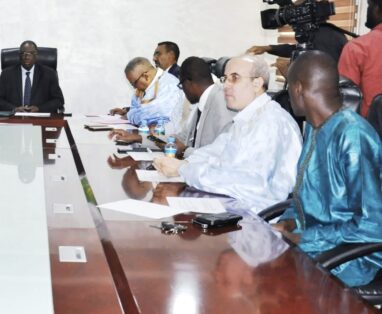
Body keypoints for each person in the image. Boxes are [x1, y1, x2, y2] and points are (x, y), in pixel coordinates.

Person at [274, 51, 382, 287]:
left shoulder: (353, 135)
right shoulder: (315, 128)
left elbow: (371, 225)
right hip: (319, 246)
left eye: (289, 87)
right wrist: (288, 223)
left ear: (298, 88)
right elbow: (305, 196)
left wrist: (303, 238)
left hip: (351, 257)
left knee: (270, 283)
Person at [153, 55, 302, 214]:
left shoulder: (269, 122)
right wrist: (183, 163)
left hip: (254, 216)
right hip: (232, 205)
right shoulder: (246, 119)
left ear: (257, 83)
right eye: (225, 79)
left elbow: (244, 182)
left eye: (234, 78)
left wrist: (184, 169)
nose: (225, 85)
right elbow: (214, 152)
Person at [113, 57, 235, 155]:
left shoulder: (222, 104)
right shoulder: (200, 103)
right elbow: (180, 138)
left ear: (188, 83)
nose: (182, 91)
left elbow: (221, 155)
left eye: (181, 86)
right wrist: (139, 138)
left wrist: (184, 151)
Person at [338, 0, 382, 117]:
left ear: (377, 8)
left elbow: (346, 105)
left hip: (369, 129)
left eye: (369, 4)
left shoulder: (357, 48)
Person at [109, 57, 184, 133]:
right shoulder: (146, 87)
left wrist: (129, 115)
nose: (134, 87)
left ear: (145, 76)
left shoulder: (169, 84)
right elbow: (138, 109)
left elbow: (153, 115)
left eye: (134, 84)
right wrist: (127, 112)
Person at [0, 40, 65, 113]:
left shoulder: (49, 74)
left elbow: (59, 100)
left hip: (40, 118)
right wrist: (14, 109)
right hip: (14, 118)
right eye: (23, 53)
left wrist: (39, 108)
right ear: (19, 55)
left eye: (31, 53)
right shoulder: (7, 74)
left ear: (36, 55)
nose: (27, 57)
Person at [247, 22, 349, 62]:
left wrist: (288, 72)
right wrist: (267, 48)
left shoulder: (325, 35)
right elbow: (296, 49)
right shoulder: (318, 31)